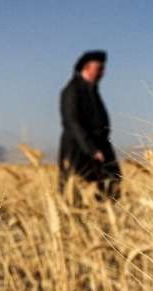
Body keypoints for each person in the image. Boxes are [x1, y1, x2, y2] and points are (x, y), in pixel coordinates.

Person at [58, 50, 121, 200]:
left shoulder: (92, 90)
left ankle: (104, 220)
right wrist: (92, 150)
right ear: (86, 68)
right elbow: (73, 123)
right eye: (99, 68)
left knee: (112, 183)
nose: (103, 73)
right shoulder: (72, 90)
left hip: (100, 147)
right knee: (77, 191)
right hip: (79, 149)